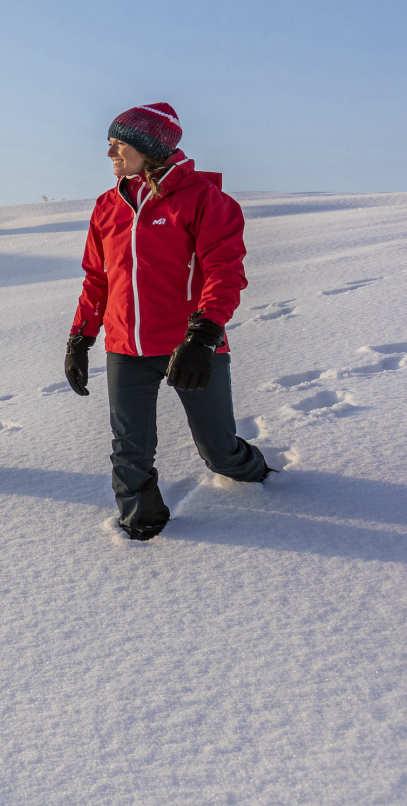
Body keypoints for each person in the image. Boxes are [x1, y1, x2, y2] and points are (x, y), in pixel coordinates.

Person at [64, 102, 272, 540]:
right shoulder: (107, 206)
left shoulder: (203, 199)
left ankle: (255, 471)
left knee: (219, 453)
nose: (110, 154)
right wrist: (81, 337)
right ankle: (141, 524)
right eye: (109, 144)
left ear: (149, 147)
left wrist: (204, 334)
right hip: (126, 347)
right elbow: (97, 278)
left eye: (118, 144)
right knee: (129, 452)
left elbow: (225, 271)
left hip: (191, 347)